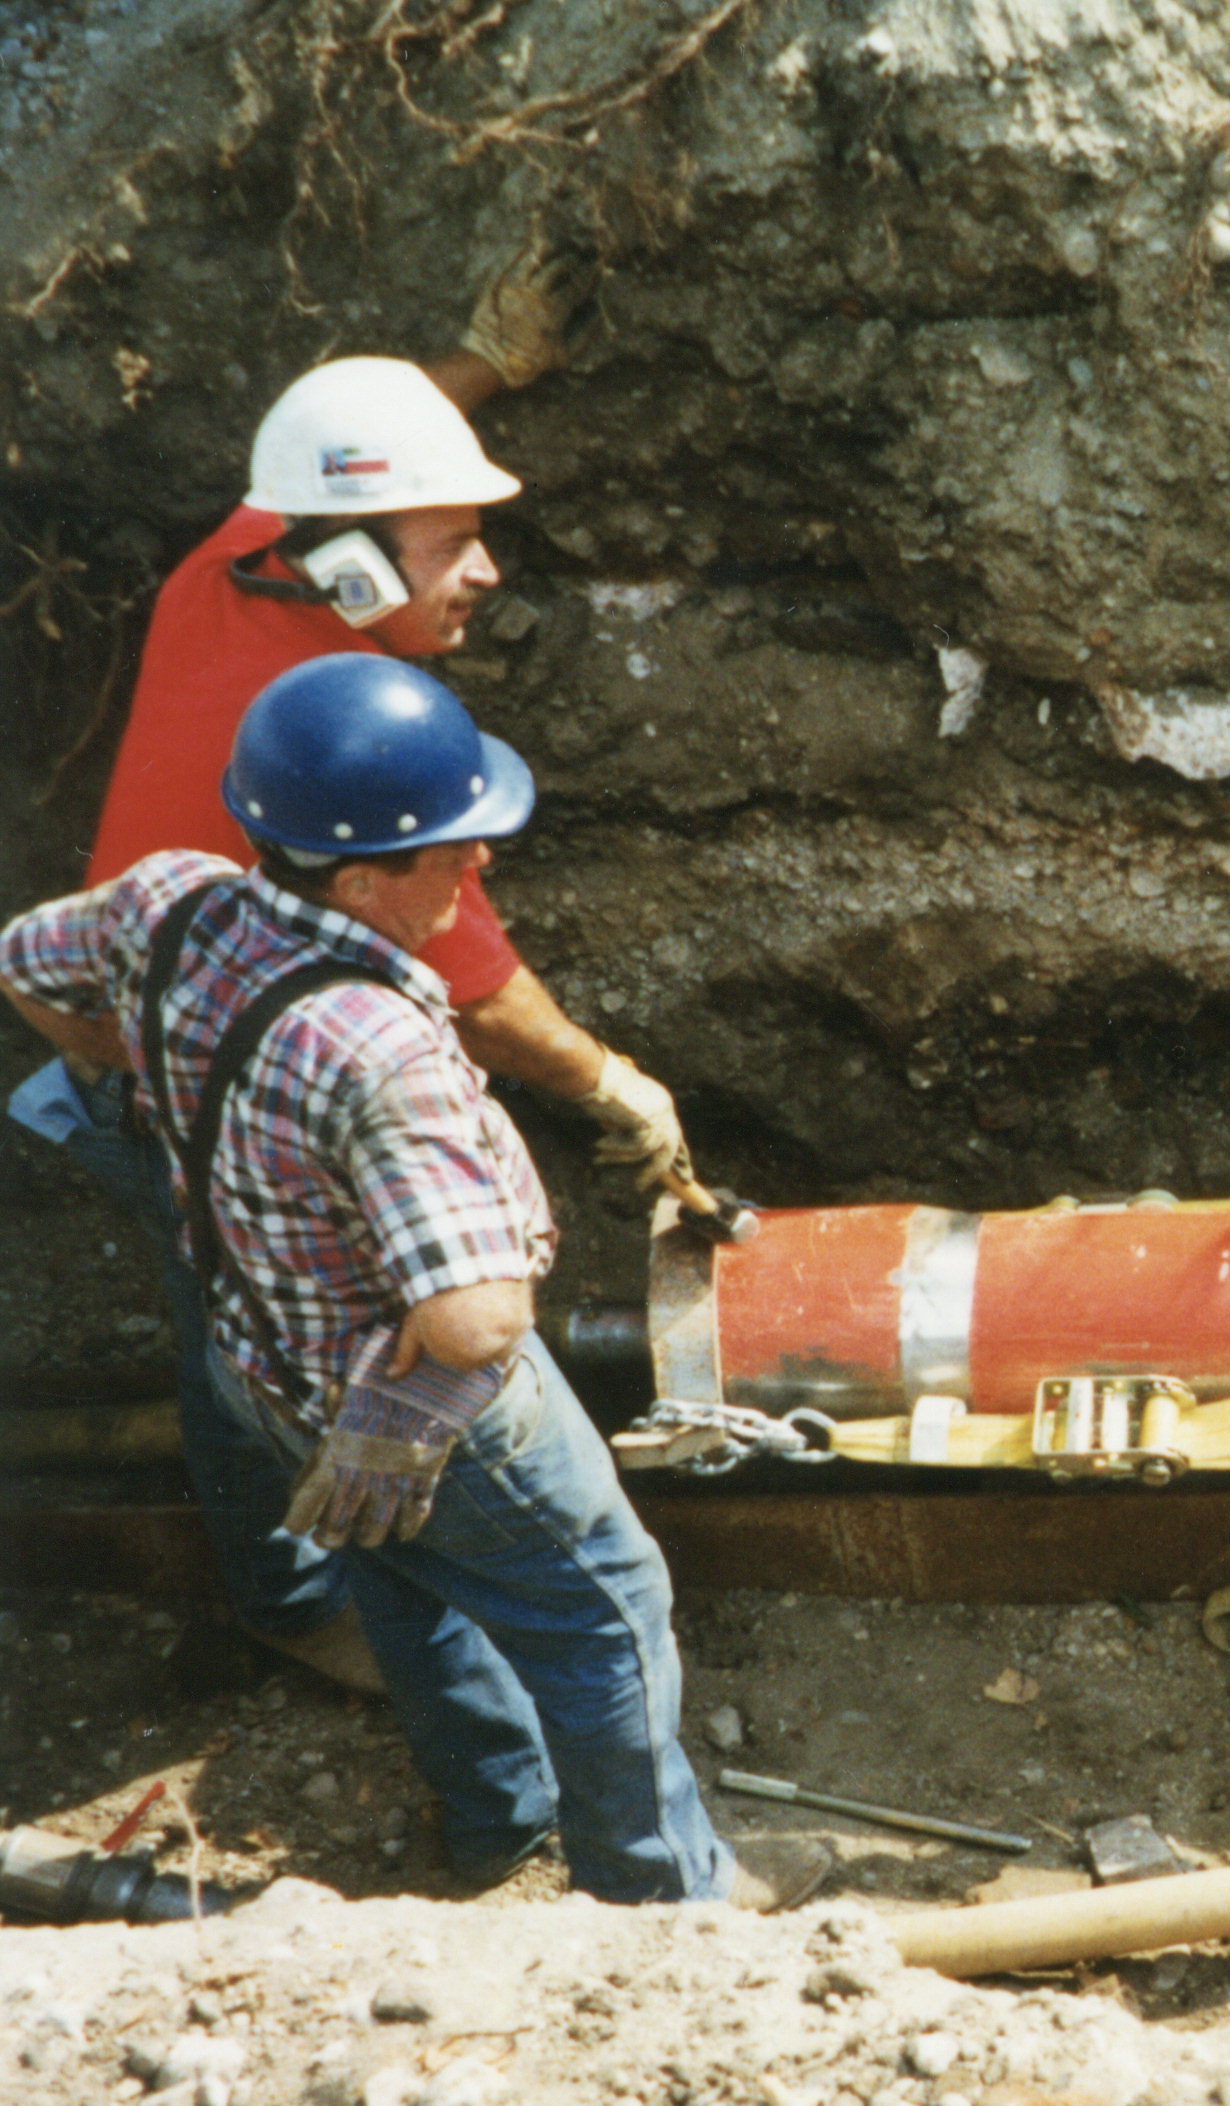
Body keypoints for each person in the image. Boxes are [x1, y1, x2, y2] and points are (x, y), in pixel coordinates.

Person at [0, 654, 813, 1908]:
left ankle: (499, 1824)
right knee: (606, 1608)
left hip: (259, 1358)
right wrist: (418, 1389)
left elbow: (24, 961)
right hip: (420, 1406)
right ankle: (667, 1900)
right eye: (454, 848)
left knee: (399, 1572)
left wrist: (129, 1076)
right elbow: (474, 1319)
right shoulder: (382, 1049)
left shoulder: (172, 900)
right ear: (364, 879)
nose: (479, 866)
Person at [10, 251, 699, 1693]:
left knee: (224, 1308)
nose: (488, 570)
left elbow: (332, 471)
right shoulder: (343, 763)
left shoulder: (239, 556)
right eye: (457, 543)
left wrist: (481, 370)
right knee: (256, 1330)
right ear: (360, 569)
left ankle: (289, 1571)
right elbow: (491, 1001)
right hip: (201, 1079)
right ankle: (294, 1588)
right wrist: (617, 1086)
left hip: (152, 1030)